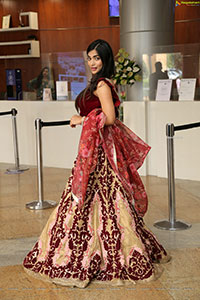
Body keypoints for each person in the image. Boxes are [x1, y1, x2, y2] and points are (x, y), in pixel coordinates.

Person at [23, 39, 170, 288]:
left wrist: (80, 120)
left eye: (97, 58)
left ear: (105, 60)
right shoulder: (96, 83)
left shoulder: (102, 85)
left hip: (101, 153)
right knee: (89, 200)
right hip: (95, 149)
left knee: (105, 201)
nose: (92, 62)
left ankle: (104, 251)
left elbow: (110, 118)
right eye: (89, 57)